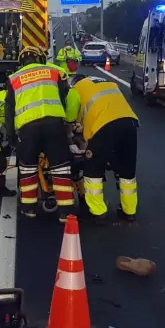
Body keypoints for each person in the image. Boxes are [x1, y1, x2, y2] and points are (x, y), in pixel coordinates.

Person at [6, 45, 76, 222]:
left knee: (28, 168)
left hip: (28, 128)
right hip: (54, 125)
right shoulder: (53, 72)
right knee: (60, 168)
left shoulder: (14, 78)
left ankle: (29, 208)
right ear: (40, 58)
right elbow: (63, 96)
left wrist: (11, 135)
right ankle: (65, 211)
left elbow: (9, 110)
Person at [64, 75, 139, 223]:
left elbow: (70, 118)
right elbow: (104, 108)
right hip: (129, 123)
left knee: (93, 170)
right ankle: (129, 211)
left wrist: (69, 135)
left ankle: (98, 213)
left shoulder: (75, 89)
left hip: (104, 127)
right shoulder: (107, 83)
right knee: (127, 171)